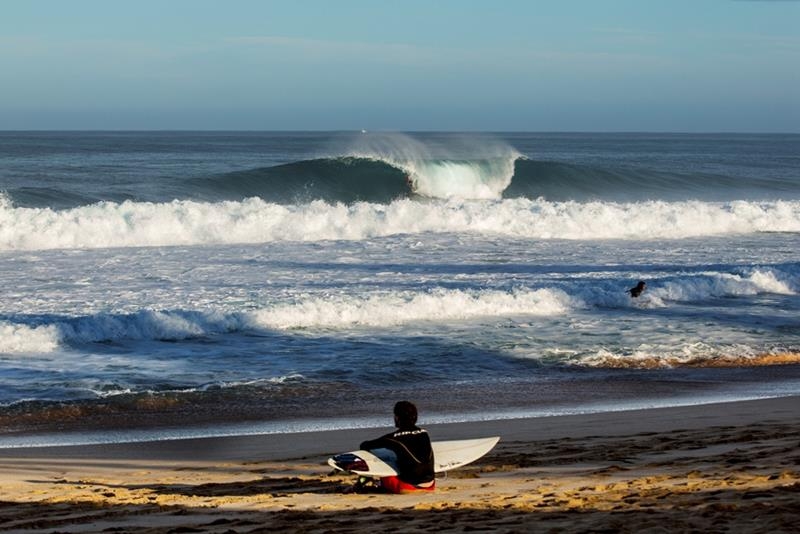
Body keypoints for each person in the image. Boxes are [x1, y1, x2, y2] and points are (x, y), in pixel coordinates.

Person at [359, 401, 435, 494]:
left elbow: (365, 445)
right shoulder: (424, 433)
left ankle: (367, 484)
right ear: (415, 417)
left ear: (397, 418)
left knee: (384, 467)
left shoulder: (393, 438)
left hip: (407, 487)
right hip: (430, 485)